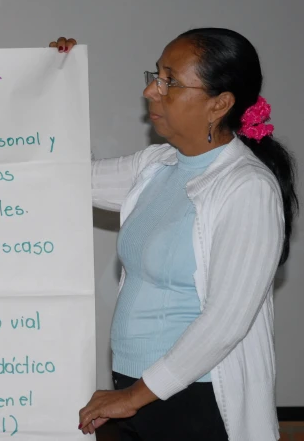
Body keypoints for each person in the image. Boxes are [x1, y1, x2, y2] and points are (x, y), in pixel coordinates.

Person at [49, 30, 297, 440]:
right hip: (133, 388)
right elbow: (69, 177)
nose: (151, 90)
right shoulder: (157, 164)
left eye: (170, 81)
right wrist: (55, 80)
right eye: (156, 75)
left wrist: (135, 397)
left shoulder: (247, 188)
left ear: (220, 103)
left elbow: (226, 322)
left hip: (194, 399)